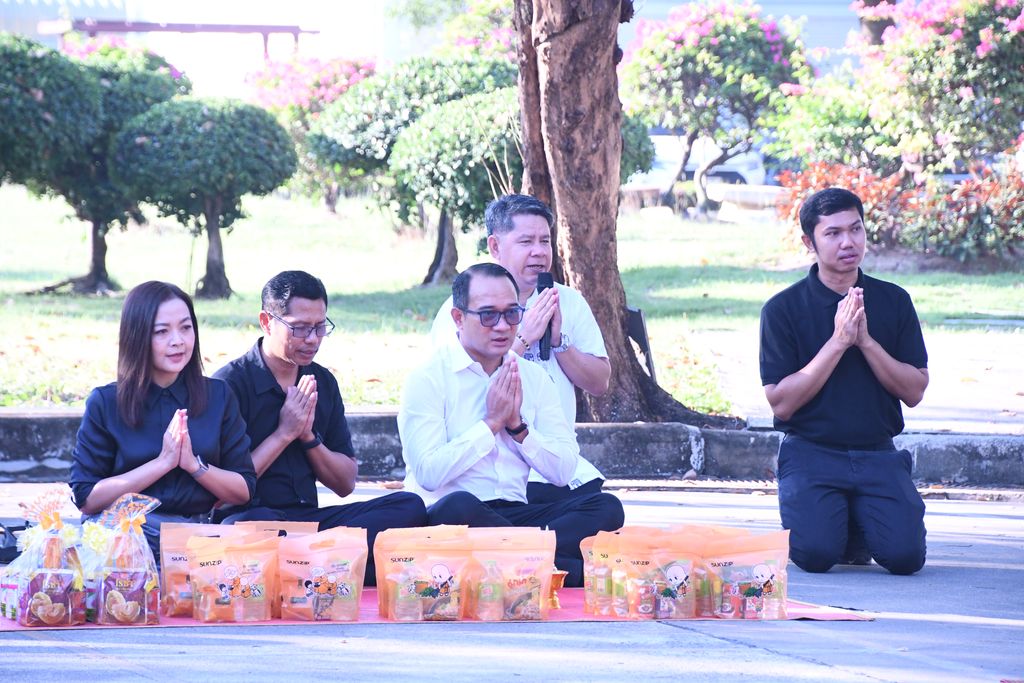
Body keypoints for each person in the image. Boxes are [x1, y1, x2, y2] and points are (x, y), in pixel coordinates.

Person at [402, 263, 624, 587]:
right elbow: (429, 474)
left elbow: (563, 472)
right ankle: (549, 566)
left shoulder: (534, 377)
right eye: (488, 315)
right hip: (457, 519)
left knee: (606, 507)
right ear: (458, 318)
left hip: (515, 514)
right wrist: (490, 423)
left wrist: (519, 429)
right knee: (458, 505)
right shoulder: (429, 378)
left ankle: (523, 563)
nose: (503, 326)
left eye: (512, 314)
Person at [213, 270, 427, 584]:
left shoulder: (322, 381)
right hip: (253, 521)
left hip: (310, 526)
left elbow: (344, 484)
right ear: (266, 321)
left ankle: (307, 570)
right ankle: (335, 569)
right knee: (244, 530)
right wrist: (284, 434)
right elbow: (218, 495)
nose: (312, 339)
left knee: (408, 506)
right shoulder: (228, 385)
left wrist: (309, 438)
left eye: (320, 327)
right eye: (299, 328)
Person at [759, 187, 929, 575]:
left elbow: (914, 391)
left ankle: (857, 518)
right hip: (811, 452)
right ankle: (841, 520)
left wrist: (866, 341)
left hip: (877, 452)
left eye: (856, 230)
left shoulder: (893, 301)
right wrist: (837, 342)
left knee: (905, 559)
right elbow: (781, 403)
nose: (848, 242)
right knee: (816, 555)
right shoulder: (782, 310)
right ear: (809, 242)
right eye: (833, 233)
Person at [430, 194, 610, 504]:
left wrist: (558, 342)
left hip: (551, 463)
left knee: (603, 508)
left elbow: (600, 383)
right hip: (487, 468)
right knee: (464, 509)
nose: (539, 252)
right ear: (495, 247)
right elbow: (461, 374)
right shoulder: (462, 309)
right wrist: (524, 338)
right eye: (526, 241)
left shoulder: (568, 302)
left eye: (545, 241)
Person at [71, 281, 256, 558]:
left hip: (193, 537)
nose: (177, 341)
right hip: (123, 537)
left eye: (185, 327)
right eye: (162, 331)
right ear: (137, 336)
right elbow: (86, 498)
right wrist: (162, 464)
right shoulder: (107, 402)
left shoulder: (218, 395)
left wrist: (194, 465)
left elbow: (243, 489)